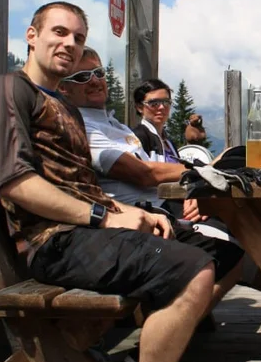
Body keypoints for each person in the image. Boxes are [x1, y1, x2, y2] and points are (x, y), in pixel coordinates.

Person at [0, 1, 217, 362]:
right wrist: (106, 218)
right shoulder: (8, 90)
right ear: (32, 36)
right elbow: (17, 182)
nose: (69, 43)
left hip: (80, 233)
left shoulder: (64, 107)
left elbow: (83, 187)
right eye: (59, 32)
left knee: (196, 247)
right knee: (194, 269)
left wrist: (131, 211)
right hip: (51, 242)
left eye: (79, 37)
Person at [59, 47, 245, 311]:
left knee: (239, 242)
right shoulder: (83, 127)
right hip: (134, 224)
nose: (94, 80)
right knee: (228, 251)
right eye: (82, 77)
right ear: (64, 88)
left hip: (159, 214)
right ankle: (178, 329)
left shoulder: (117, 127)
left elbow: (159, 173)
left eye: (98, 72)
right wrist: (206, 170)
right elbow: (144, 174)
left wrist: (197, 185)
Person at [132, 79, 181, 163]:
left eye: (166, 102)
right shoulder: (137, 138)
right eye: (154, 103)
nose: (162, 107)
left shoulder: (169, 142)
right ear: (139, 107)